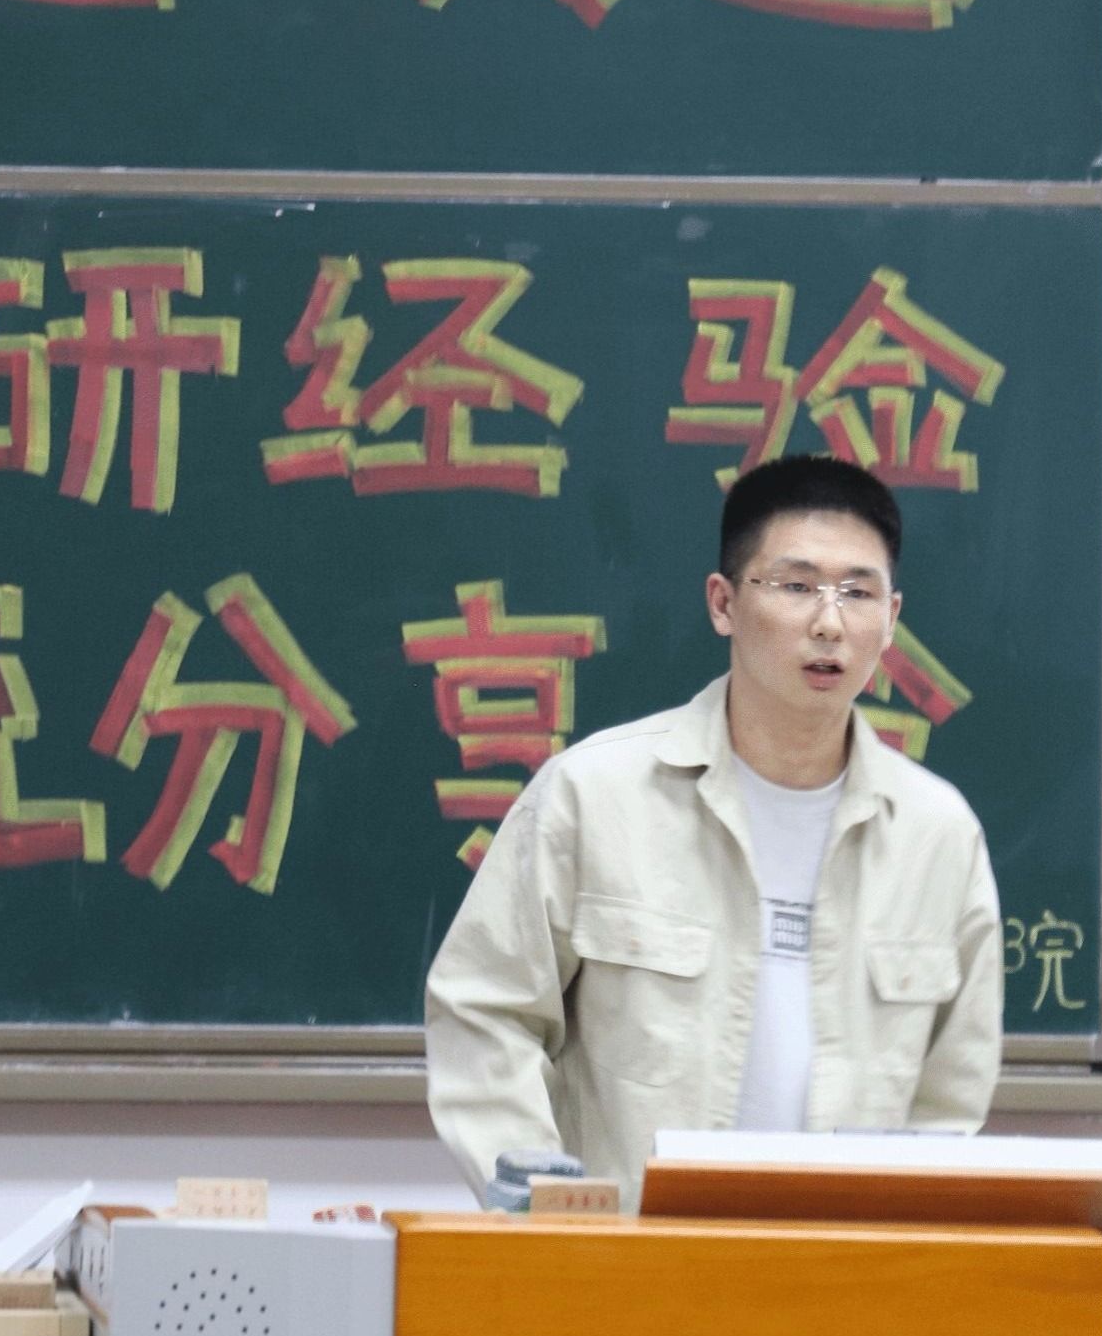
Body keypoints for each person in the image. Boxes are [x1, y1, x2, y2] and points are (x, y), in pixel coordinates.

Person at [425, 454, 1002, 1209]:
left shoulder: (939, 836)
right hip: (629, 1264)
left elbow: (950, 1098)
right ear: (723, 602)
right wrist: (545, 1207)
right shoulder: (593, 795)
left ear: (891, 618)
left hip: (845, 1264)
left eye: (858, 593)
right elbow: (484, 1009)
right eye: (796, 586)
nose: (829, 622)